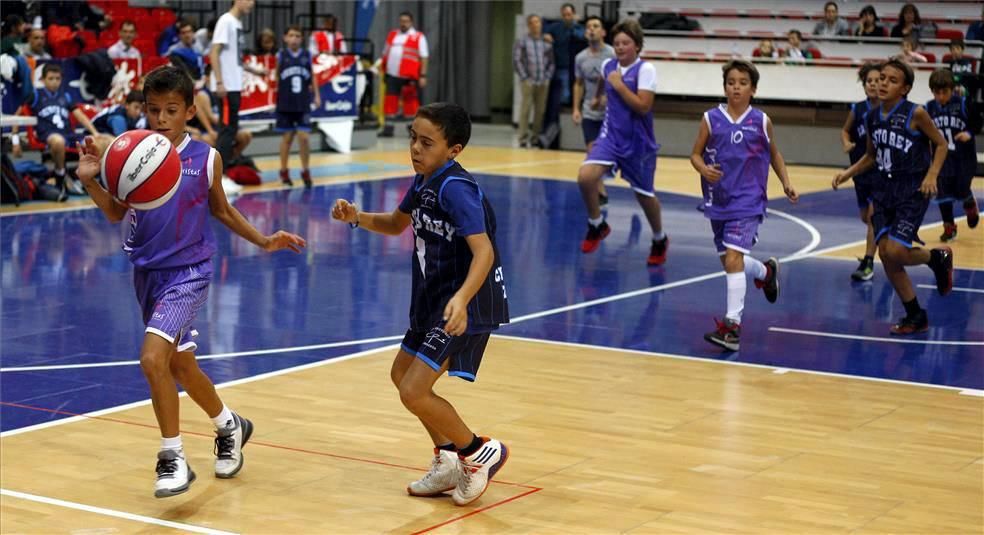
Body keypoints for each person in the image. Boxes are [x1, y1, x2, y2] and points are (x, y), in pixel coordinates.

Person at [74, 65, 306, 498]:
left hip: (190, 272)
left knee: (151, 359)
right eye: (153, 110)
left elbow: (221, 210)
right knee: (180, 364)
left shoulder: (206, 157)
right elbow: (113, 212)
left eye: (171, 110)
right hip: (147, 272)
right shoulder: (133, 156)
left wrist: (263, 238)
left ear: (189, 111)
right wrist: (90, 181)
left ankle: (172, 457)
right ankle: (230, 425)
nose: (161, 119)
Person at [330, 103, 510, 507]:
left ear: (454, 149)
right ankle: (447, 459)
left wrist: (462, 300)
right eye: (413, 137)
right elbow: (397, 224)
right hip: (434, 302)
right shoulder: (424, 179)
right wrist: (356, 216)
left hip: (466, 303)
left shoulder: (456, 189)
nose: (414, 147)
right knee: (401, 375)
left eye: (426, 142)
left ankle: (477, 452)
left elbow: (483, 252)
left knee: (414, 390)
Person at [833, 58, 953, 335]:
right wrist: (848, 172)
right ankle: (915, 314)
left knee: (896, 250)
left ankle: (936, 258)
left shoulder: (916, 113)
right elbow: (871, 157)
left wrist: (932, 175)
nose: (884, 83)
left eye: (891, 80)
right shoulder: (871, 116)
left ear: (905, 88)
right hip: (883, 190)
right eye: (882, 78)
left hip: (912, 190)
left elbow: (941, 144)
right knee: (887, 256)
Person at [689, 60, 798, 351]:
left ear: (753, 89)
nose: (736, 87)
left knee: (734, 258)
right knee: (730, 262)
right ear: (724, 86)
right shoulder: (711, 118)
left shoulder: (761, 121)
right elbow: (695, 155)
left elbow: (775, 155)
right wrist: (703, 169)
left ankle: (731, 328)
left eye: (742, 82)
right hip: (719, 199)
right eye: (731, 82)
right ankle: (766, 272)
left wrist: (786, 182)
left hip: (749, 200)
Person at [576, 19, 668, 266]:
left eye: (625, 43)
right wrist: (597, 98)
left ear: (637, 46)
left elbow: (643, 106)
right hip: (611, 137)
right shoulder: (608, 66)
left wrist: (618, 86)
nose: (619, 47)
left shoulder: (646, 70)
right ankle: (597, 224)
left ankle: (659, 238)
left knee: (644, 196)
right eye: (616, 43)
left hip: (638, 143)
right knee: (585, 177)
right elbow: (602, 82)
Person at [12, 63, 111, 196]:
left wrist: (95, 133)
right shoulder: (35, 95)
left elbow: (79, 115)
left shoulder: (66, 96)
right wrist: (15, 141)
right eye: (51, 78)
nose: (54, 82)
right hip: (48, 135)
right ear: (43, 79)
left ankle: (93, 177)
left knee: (107, 140)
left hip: (69, 135)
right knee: (58, 141)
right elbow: (17, 115)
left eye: (57, 79)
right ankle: (60, 176)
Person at [210, 0, 267, 166]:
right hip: (226, 86)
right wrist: (220, 82)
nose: (252, 4)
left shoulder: (237, 24)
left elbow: (236, 58)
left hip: (234, 85)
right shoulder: (226, 21)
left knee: (231, 130)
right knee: (226, 131)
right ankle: (219, 177)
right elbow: (214, 52)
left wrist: (255, 71)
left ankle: (225, 170)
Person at [925, 68, 980, 242]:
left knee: (962, 189)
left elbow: (978, 122)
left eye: (945, 92)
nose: (941, 96)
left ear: (952, 89)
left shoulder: (963, 103)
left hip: (964, 158)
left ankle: (969, 202)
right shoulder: (929, 107)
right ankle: (949, 227)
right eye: (937, 92)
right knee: (942, 194)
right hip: (942, 159)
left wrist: (969, 133)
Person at [839, 62, 882, 282]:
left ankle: (868, 263)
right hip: (860, 171)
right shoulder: (858, 109)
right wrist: (846, 142)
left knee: (874, 217)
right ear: (864, 86)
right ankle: (883, 237)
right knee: (867, 218)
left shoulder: (888, 109)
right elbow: (845, 130)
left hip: (881, 172)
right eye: (869, 81)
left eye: (877, 80)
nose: (874, 84)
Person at [573, 15, 614, 203]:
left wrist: (606, 97)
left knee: (609, 155)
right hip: (589, 113)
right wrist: (576, 108)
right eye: (589, 26)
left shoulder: (613, 55)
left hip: (610, 114)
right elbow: (578, 84)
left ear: (603, 32)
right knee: (592, 152)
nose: (591, 29)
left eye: (596, 26)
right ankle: (601, 192)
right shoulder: (580, 58)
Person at [276, 25, 320, 188]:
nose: (294, 39)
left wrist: (316, 95)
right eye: (291, 35)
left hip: (302, 102)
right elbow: (275, 78)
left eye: (297, 36)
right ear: (285, 38)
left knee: (304, 137)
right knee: (287, 138)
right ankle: (283, 170)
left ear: (302, 39)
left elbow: (313, 76)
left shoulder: (307, 55)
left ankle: (305, 169)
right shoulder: (280, 55)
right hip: (286, 102)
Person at [379, 12, 429, 137]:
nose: (403, 23)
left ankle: (413, 130)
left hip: (409, 76)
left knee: (410, 103)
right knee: (390, 101)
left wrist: (423, 75)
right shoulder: (392, 35)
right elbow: (385, 54)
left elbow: (424, 57)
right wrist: (381, 69)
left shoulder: (418, 36)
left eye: (406, 21)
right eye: (401, 21)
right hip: (392, 74)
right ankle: (388, 128)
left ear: (411, 22)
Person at [542, 3, 585, 148]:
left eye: (569, 14)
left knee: (566, 96)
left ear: (573, 14)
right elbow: (544, 31)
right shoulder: (555, 27)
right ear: (562, 15)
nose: (567, 17)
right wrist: (546, 35)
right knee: (555, 101)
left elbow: (582, 35)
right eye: (564, 15)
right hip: (557, 67)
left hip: (574, 69)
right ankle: (551, 135)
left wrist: (574, 24)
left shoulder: (578, 28)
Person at [513, 14, 553, 148]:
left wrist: (547, 77)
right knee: (525, 109)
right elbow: (517, 60)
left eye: (538, 22)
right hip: (528, 81)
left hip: (542, 81)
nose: (536, 25)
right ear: (529, 25)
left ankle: (535, 137)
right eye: (533, 22)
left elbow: (551, 61)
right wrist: (524, 77)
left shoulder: (546, 42)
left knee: (540, 111)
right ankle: (523, 138)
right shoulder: (522, 41)